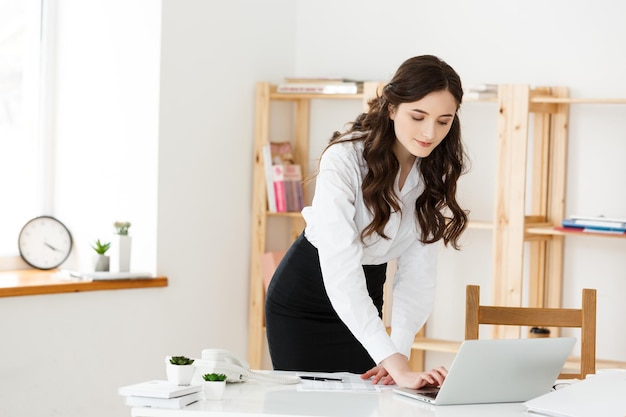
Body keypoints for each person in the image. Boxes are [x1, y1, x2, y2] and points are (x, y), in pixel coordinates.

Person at [264, 55, 468, 390]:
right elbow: (341, 271)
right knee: (306, 409)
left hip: (367, 296)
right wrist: (392, 360)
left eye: (444, 121)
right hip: (307, 301)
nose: (430, 133)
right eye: (418, 117)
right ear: (391, 108)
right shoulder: (343, 159)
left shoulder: (434, 168)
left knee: (366, 404)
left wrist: (397, 353)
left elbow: (418, 275)